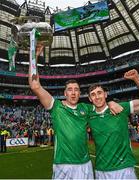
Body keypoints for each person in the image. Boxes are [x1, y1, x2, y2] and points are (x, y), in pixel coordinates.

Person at [29, 45, 122, 179]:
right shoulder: (56, 106)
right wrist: (34, 56)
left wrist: (111, 102)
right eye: (70, 89)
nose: (73, 93)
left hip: (85, 165)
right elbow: (35, 85)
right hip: (63, 165)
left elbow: (102, 105)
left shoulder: (86, 108)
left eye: (76, 89)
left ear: (80, 93)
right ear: (64, 93)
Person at [88, 69, 139, 179]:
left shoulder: (121, 108)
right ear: (90, 99)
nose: (97, 97)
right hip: (100, 171)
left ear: (105, 94)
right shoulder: (89, 115)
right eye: (93, 95)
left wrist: (137, 79)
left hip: (124, 169)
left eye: (99, 93)